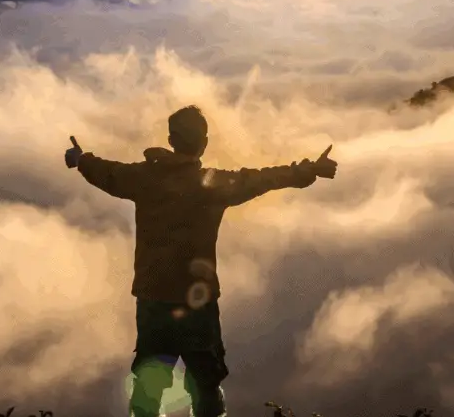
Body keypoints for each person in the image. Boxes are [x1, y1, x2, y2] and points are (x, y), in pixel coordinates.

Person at [64, 105, 337, 417]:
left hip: (154, 299)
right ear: (204, 143)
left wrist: (80, 159)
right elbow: (264, 178)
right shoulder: (212, 185)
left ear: (170, 139)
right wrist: (309, 170)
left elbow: (106, 172)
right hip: (198, 301)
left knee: (149, 388)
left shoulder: (143, 178)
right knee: (205, 385)